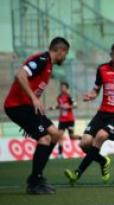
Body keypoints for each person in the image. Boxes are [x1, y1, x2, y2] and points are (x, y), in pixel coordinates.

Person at [64, 42, 114, 185]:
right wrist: (92, 95)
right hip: (103, 113)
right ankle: (103, 161)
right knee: (84, 143)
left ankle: (77, 173)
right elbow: (96, 88)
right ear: (111, 55)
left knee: (100, 136)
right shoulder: (102, 69)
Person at [4, 37, 70, 194]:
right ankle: (35, 181)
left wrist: (34, 101)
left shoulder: (48, 65)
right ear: (60, 51)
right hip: (17, 107)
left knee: (55, 134)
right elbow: (20, 75)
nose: (65, 57)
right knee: (45, 138)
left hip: (28, 107)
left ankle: (36, 177)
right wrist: (34, 99)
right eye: (65, 53)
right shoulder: (41, 59)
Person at [49, 81, 81, 158]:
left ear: (67, 88)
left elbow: (75, 105)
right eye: (61, 87)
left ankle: (83, 138)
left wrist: (68, 107)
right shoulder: (59, 97)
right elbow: (60, 106)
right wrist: (53, 108)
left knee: (72, 137)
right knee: (59, 136)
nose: (62, 89)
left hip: (70, 120)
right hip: (62, 120)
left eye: (63, 87)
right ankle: (60, 154)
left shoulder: (69, 97)